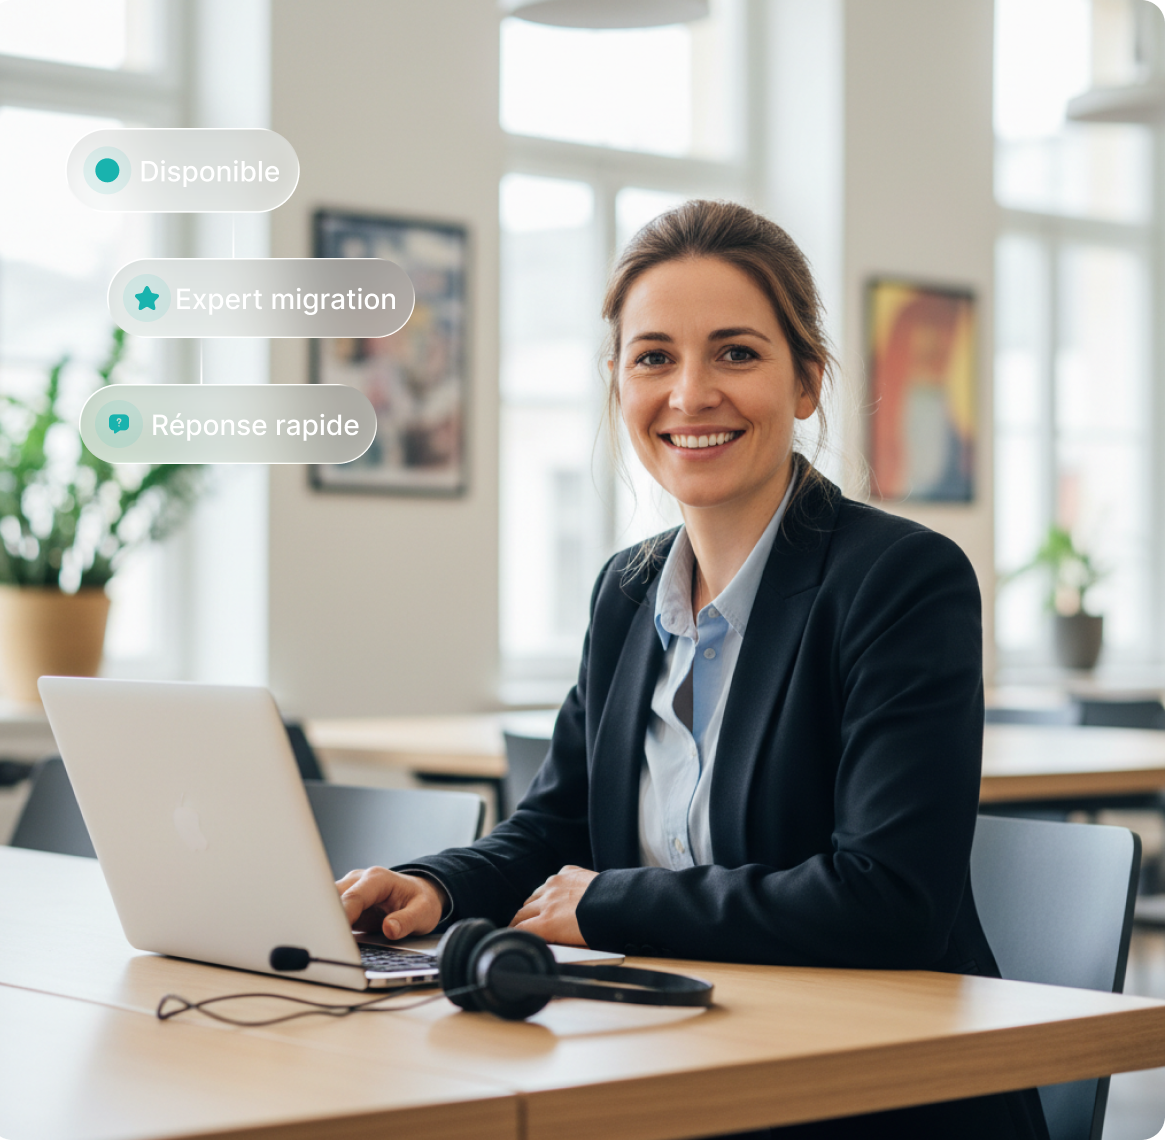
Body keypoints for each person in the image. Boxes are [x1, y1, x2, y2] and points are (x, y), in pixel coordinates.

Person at [336, 201, 1049, 1140]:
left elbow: (889, 900)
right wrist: (434, 886)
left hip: (872, 1093)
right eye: (654, 357)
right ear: (617, 383)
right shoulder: (625, 592)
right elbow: (557, 828)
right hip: (678, 1056)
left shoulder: (901, 581)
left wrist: (613, 901)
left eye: (737, 354)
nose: (690, 393)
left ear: (807, 383)